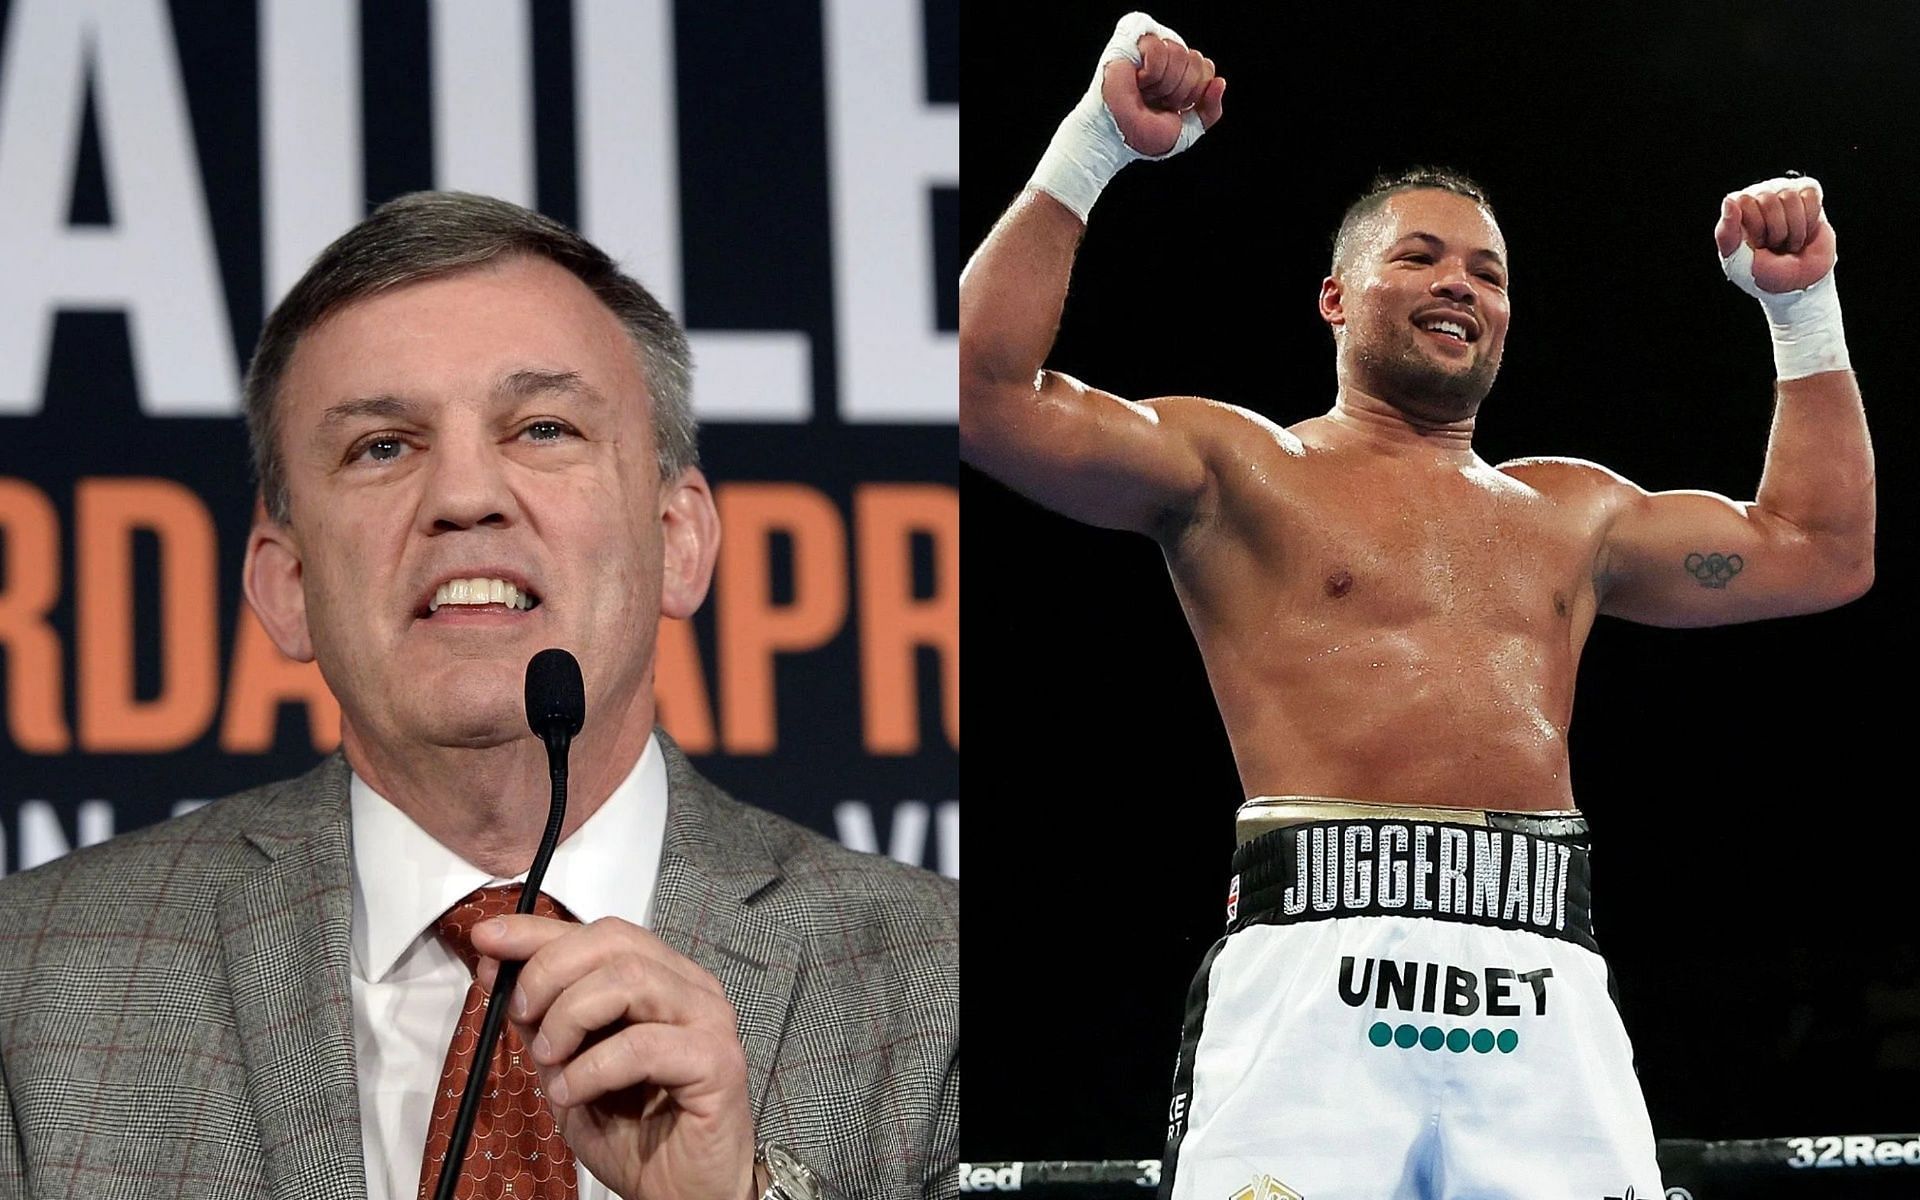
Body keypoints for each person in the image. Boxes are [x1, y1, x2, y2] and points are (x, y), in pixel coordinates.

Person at [960, 12, 1871, 1200]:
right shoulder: (1239, 470)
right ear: (1335, 298)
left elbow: (1821, 549)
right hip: (1313, 978)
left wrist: (1800, 308)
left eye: (1487, 274)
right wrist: (1095, 146)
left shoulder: (1574, 513)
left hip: (1543, 976)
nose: (1459, 284)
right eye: (1422, 257)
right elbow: (982, 393)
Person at [0, 192, 958, 1200]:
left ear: (678, 544)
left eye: (542, 428)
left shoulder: (935, 985)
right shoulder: (30, 988)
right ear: (287, 588)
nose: (464, 495)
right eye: (382, 446)